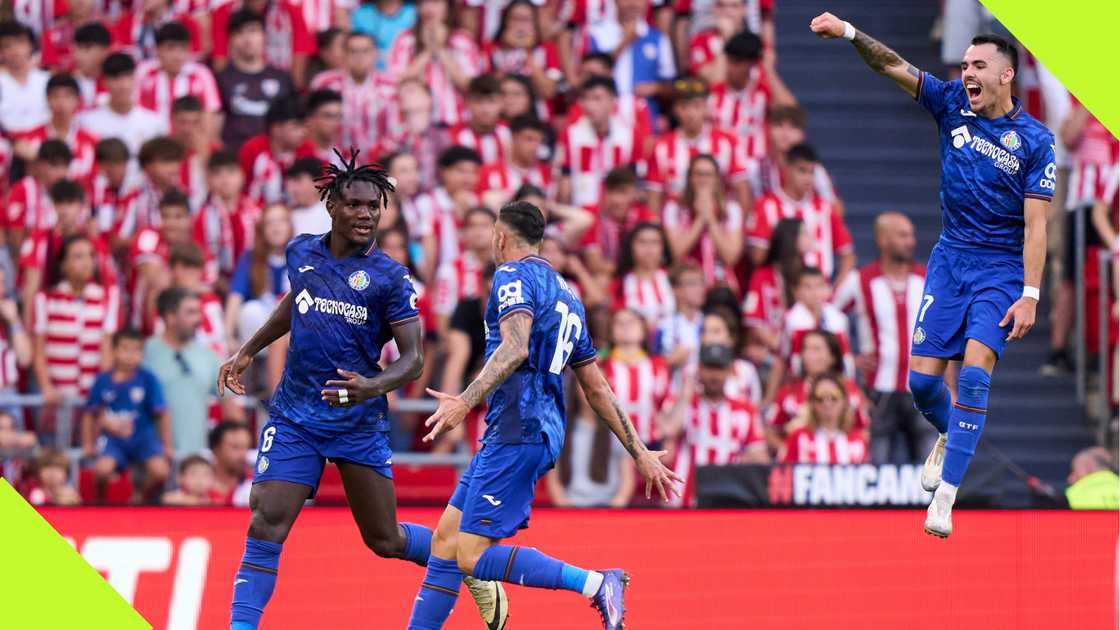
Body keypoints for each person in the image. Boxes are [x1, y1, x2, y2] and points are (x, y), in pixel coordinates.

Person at [216, 151, 503, 630]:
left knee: (384, 539)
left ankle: (463, 562)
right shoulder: (301, 252)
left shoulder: (390, 278)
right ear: (331, 205)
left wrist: (370, 387)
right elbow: (297, 302)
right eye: (355, 204)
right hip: (295, 415)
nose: (366, 214)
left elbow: (412, 360)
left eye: (374, 206)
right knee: (266, 520)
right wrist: (249, 349)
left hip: (356, 420)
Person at [811, 16, 1056, 537]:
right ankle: (950, 435)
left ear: (1006, 75)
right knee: (922, 384)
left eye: (978, 65)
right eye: (965, 64)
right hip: (950, 260)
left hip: (1000, 269)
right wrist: (850, 33)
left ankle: (945, 496)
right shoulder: (950, 103)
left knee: (973, 374)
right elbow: (891, 65)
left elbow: (1037, 225)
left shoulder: (1036, 141)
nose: (967, 72)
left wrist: (1031, 294)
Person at [408, 200, 680, 630]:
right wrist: (639, 451)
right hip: (533, 430)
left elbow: (515, 347)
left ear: (501, 237)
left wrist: (464, 400)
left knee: (471, 556)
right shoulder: (567, 295)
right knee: (445, 543)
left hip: (519, 428)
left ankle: (596, 583)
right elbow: (596, 387)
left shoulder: (511, 275)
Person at [833, 212, 933, 464]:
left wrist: (950, 384)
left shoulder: (927, 279)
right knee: (875, 471)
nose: (910, 241)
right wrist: (848, 358)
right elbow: (827, 316)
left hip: (922, 389)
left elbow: (946, 331)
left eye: (911, 235)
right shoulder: (861, 280)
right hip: (877, 390)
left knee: (930, 471)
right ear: (883, 240)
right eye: (902, 235)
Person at [657, 342, 768, 508]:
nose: (714, 375)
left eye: (719, 369)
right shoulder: (684, 404)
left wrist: (733, 462)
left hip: (729, 501)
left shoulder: (745, 411)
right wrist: (686, 394)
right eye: (709, 368)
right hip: (682, 500)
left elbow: (760, 458)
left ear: (729, 371)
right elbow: (668, 430)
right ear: (699, 369)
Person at [144, 287, 240, 456]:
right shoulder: (144, 353)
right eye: (190, 312)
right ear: (170, 317)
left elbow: (231, 407)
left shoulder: (208, 356)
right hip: (152, 460)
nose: (199, 319)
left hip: (195, 463)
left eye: (198, 312)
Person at [82, 329, 172, 504]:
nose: (130, 355)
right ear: (114, 350)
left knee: (161, 471)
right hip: (113, 440)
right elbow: (89, 414)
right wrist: (88, 443)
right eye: (125, 349)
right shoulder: (102, 380)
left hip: (143, 438)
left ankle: (140, 496)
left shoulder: (148, 379)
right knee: (102, 470)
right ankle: (100, 504)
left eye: (136, 350)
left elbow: (162, 412)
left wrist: (167, 445)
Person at [746, 142, 855, 281]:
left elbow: (847, 255)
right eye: (802, 171)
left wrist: (835, 289)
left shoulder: (825, 209)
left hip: (819, 289)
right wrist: (791, 246)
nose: (808, 178)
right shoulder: (766, 206)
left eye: (811, 172)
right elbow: (757, 257)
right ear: (787, 169)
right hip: (780, 286)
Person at [32, 235, 118, 406]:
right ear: (63, 264)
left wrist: (103, 390)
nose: (87, 262)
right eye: (78, 256)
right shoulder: (45, 299)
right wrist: (46, 387)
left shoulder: (107, 297)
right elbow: (39, 351)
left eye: (91, 256)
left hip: (92, 396)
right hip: (58, 397)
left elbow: (106, 349)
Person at [647, 79, 750, 216]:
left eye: (696, 106)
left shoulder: (728, 142)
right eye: (684, 107)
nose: (690, 113)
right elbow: (654, 196)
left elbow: (741, 188)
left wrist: (741, 225)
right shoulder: (661, 146)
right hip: (677, 222)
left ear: (706, 108)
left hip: (719, 220)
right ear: (675, 109)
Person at [765, 329, 866, 454]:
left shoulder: (850, 391)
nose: (808, 355)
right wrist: (788, 450)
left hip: (843, 459)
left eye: (816, 349)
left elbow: (863, 430)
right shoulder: (788, 392)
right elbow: (770, 431)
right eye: (805, 349)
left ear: (833, 357)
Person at [387, 0, 482, 126]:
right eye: (424, 2)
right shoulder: (405, 39)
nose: (429, 9)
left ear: (447, 7)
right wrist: (428, 51)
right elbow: (394, 81)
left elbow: (472, 86)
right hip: (416, 123)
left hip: (456, 122)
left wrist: (441, 49)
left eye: (435, 2)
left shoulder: (462, 40)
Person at [556, 77, 645, 207]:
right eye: (585, 99)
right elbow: (564, 181)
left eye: (597, 98)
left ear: (612, 101)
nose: (589, 105)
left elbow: (636, 181)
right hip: (581, 210)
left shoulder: (630, 136)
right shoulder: (570, 135)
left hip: (618, 212)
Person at [662, 153, 745, 291]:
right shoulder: (674, 208)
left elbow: (730, 256)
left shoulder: (732, 209)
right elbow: (677, 251)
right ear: (690, 178)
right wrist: (700, 218)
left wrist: (711, 219)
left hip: (721, 286)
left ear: (717, 179)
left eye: (708, 175)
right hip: (686, 286)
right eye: (698, 174)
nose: (703, 179)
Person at [216, 9, 297, 149]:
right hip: (235, 153)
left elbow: (294, 123)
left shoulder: (283, 78)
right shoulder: (221, 80)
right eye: (240, 33)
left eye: (253, 31)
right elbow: (215, 129)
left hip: (275, 155)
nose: (248, 39)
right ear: (231, 40)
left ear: (264, 36)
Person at [585, 0, 675, 120]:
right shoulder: (597, 34)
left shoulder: (658, 39)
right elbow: (590, 76)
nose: (633, 3)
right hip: (606, 115)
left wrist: (656, 88)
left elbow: (671, 85)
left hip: (645, 116)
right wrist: (625, 42)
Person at [309, 31, 395, 152]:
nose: (359, 57)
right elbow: (312, 124)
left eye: (365, 51)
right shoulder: (324, 83)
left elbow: (396, 130)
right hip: (333, 157)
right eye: (353, 51)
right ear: (344, 54)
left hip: (379, 158)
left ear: (376, 54)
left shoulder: (391, 86)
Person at [78, 52, 168, 161]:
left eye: (128, 77)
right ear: (104, 82)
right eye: (116, 78)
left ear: (135, 79)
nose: (123, 85)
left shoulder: (155, 123)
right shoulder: (87, 122)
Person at [602, 308, 670, 446]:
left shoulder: (658, 365)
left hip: (651, 443)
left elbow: (665, 406)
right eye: (619, 323)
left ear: (643, 330)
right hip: (611, 444)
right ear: (611, 331)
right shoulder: (601, 366)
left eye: (631, 322)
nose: (625, 326)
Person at [781, 372, 869, 465]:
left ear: (844, 401)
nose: (827, 403)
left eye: (834, 397)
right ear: (812, 403)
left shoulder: (857, 441)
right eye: (820, 398)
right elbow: (782, 471)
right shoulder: (798, 438)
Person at [612, 222, 676, 327]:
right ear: (631, 247)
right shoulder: (619, 283)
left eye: (654, 242)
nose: (649, 247)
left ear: (663, 247)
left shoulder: (674, 277)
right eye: (642, 242)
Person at [654, 263, 706, 371]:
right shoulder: (663, 326)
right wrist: (668, 362)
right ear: (675, 290)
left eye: (701, 283)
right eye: (692, 283)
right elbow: (652, 364)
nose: (699, 289)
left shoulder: (709, 323)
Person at [0, 22, 50, 135]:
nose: (15, 50)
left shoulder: (47, 80)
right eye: (7, 45)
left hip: (45, 141)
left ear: (31, 46)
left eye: (20, 43)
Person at [208, 420, 253, 506]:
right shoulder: (195, 486)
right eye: (235, 447)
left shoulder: (256, 484)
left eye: (246, 447)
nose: (243, 454)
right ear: (216, 449)